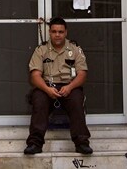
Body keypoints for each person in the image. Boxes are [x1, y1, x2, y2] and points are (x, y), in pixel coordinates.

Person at [24, 16, 93, 155]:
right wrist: (47, 89)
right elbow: (35, 76)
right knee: (39, 100)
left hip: (69, 86)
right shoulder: (41, 50)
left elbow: (82, 75)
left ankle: (82, 143)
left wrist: (70, 87)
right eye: (54, 31)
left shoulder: (75, 49)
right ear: (49, 32)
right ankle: (35, 144)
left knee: (76, 100)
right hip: (47, 86)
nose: (57, 35)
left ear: (66, 32)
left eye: (60, 32)